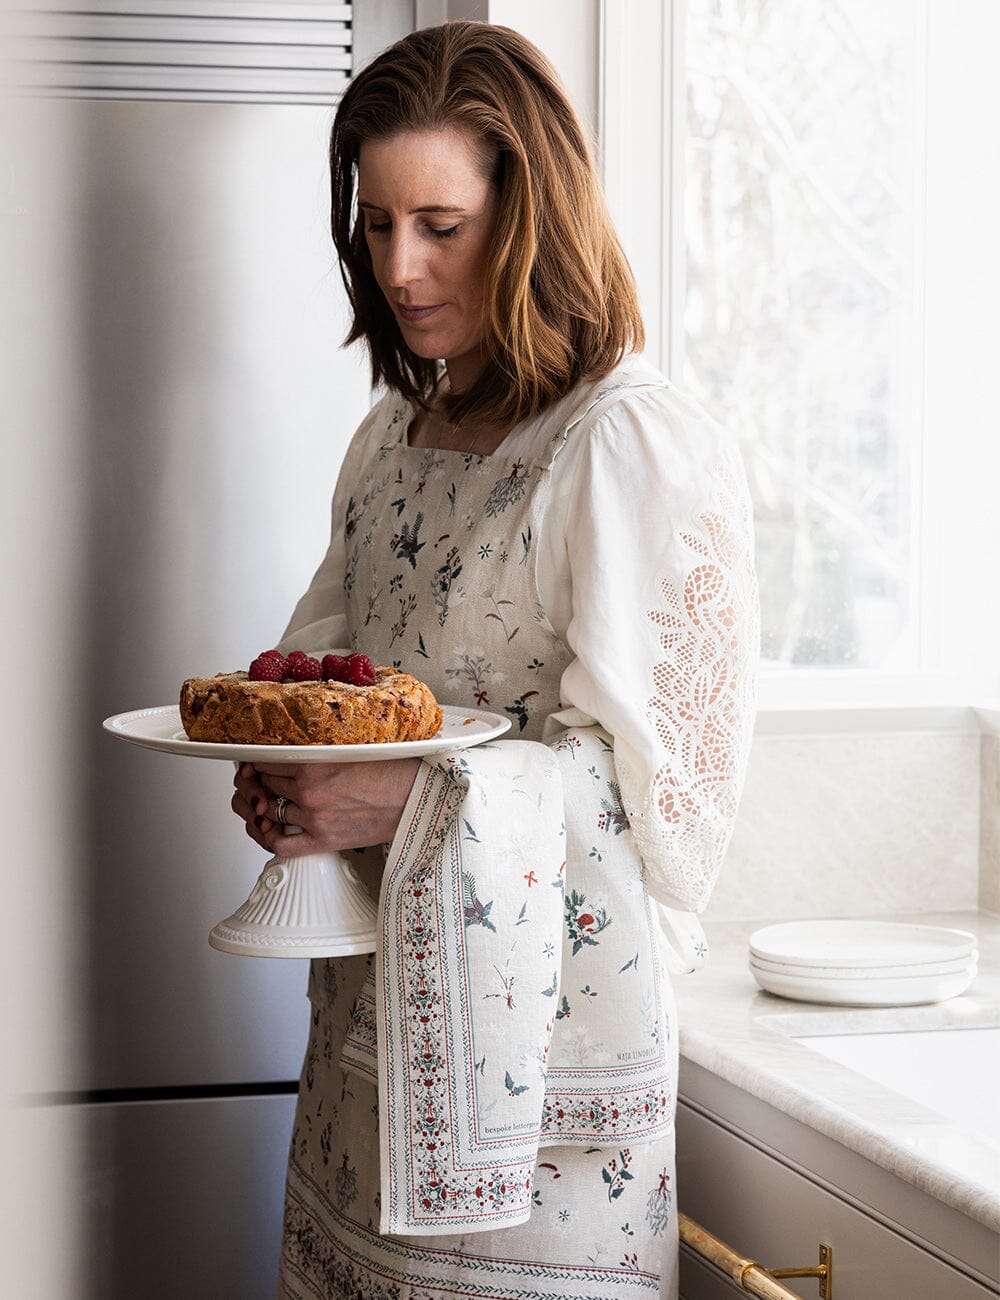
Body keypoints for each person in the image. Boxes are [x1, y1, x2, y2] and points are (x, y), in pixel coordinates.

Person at [231, 21, 758, 1300]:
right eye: (374, 224)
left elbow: (676, 817)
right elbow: (321, 679)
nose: (399, 267)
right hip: (369, 1055)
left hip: (545, 1114)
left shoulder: (631, 448)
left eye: (441, 225)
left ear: (530, 219)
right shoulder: (392, 432)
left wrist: (409, 800)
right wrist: (288, 769)